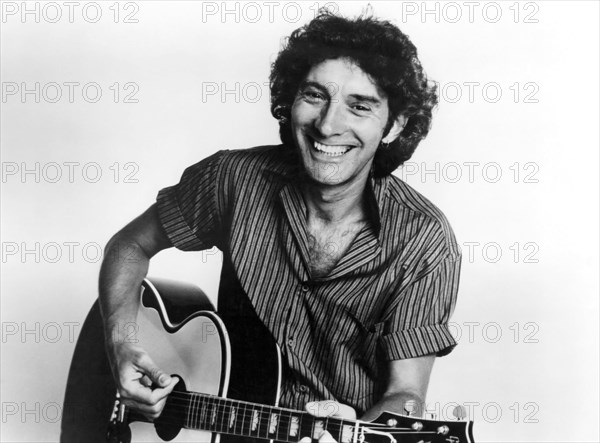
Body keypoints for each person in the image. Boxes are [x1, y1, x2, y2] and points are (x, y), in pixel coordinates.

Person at [99, 11, 461, 443]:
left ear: (395, 125)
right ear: (290, 100)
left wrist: (357, 434)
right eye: (314, 96)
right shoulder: (233, 179)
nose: (328, 125)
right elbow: (128, 247)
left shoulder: (425, 239)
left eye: (360, 106)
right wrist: (121, 344)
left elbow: (405, 394)